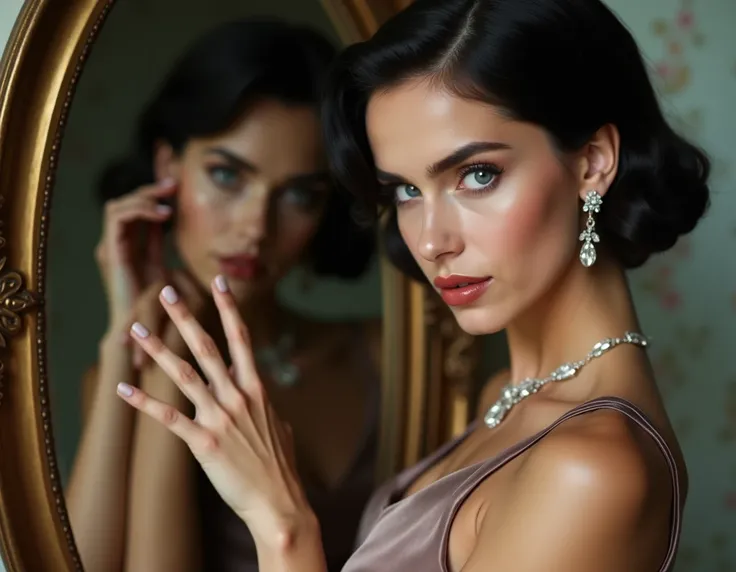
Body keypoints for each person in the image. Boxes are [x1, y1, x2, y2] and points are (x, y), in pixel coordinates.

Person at [114, 0, 709, 570]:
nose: (430, 241)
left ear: (593, 161)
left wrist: (280, 524)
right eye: (406, 190)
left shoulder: (593, 468)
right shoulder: (508, 393)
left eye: (477, 175)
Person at [67, 19, 380, 572]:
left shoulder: (382, 355)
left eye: (299, 196)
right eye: (227, 176)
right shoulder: (123, 383)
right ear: (169, 168)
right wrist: (141, 349)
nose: (255, 228)